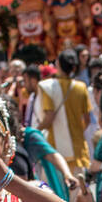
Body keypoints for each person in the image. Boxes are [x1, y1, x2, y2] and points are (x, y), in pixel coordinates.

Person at [37, 49, 92, 179]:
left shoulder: (47, 87)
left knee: (54, 196)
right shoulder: (81, 87)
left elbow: (49, 117)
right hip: (78, 150)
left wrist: (34, 131)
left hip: (54, 152)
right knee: (77, 197)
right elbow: (87, 119)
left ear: (58, 65)